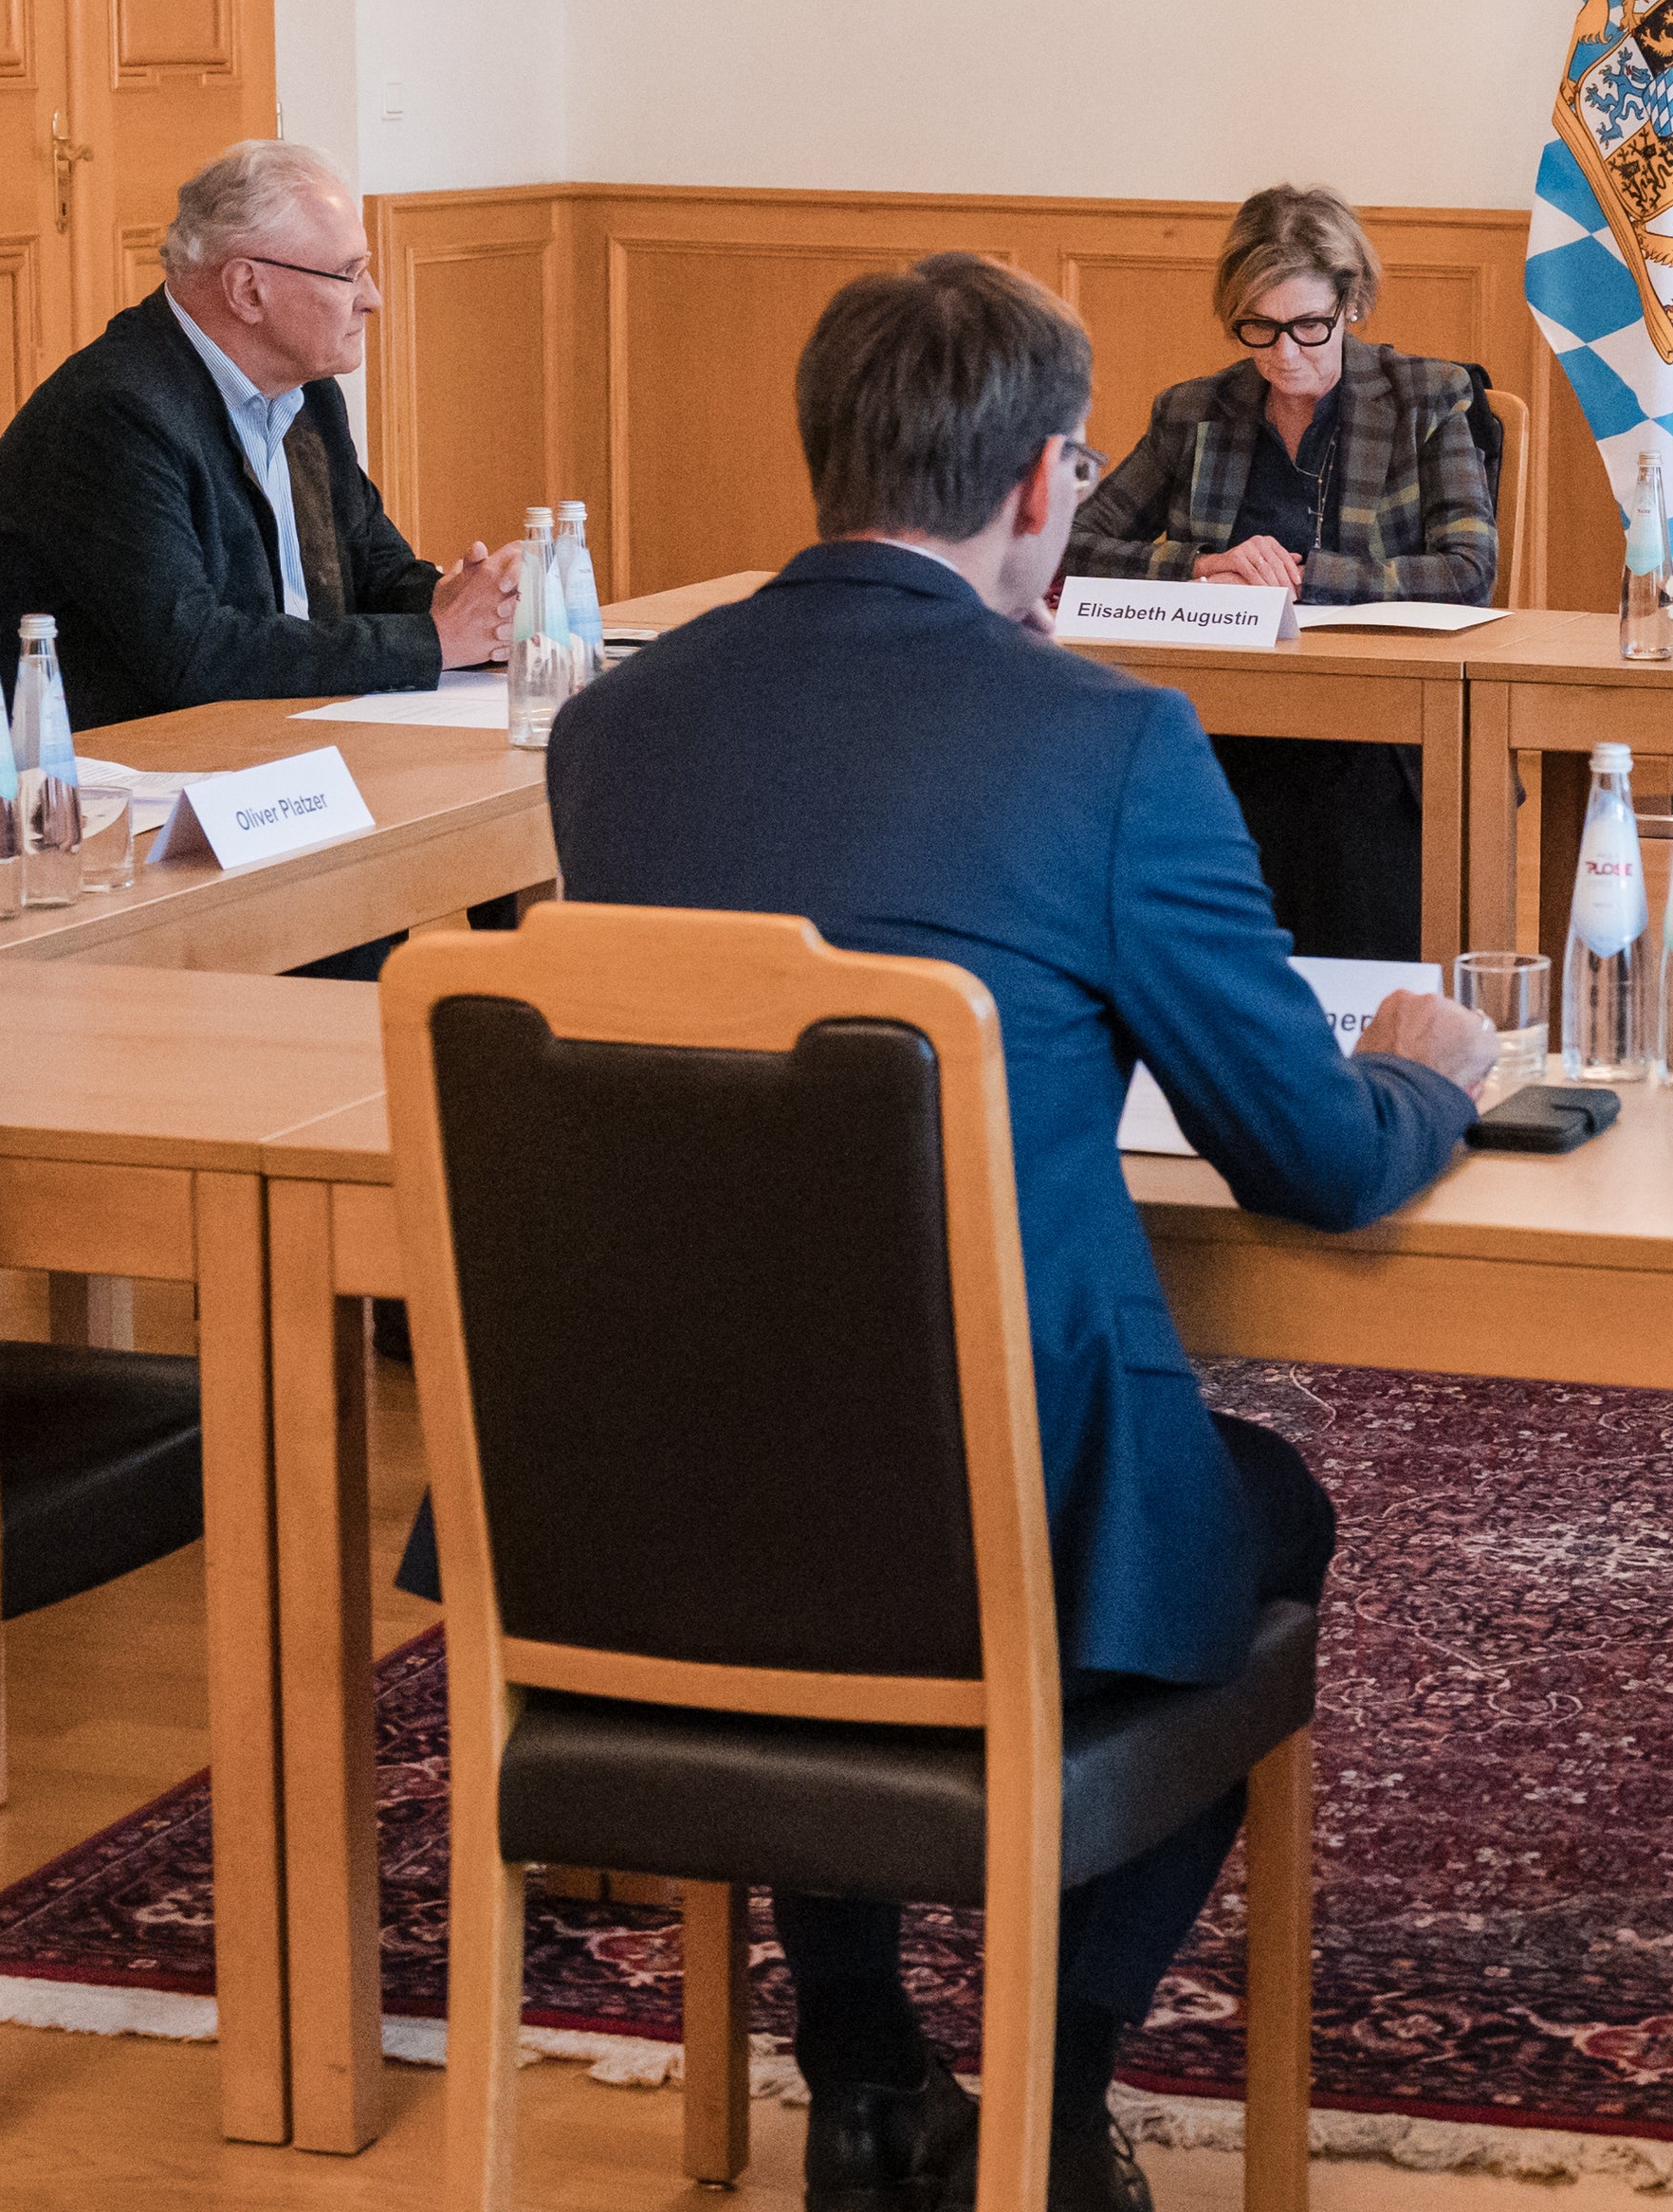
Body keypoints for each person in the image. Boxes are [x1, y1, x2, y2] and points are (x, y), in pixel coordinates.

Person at [544, 254, 1496, 2212]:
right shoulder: (1113, 741)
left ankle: (873, 2072)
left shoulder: (612, 734)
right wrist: (1433, 1075)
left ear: (822, 456)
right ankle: (1047, 2103)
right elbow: (1311, 1161)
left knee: (828, 1474)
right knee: (1263, 1520)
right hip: (974, 1517)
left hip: (646, 1505)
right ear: (1052, 483)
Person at [0, 139, 517, 741]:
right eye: (349, 273)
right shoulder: (114, 414)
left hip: (265, 738)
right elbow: (194, 653)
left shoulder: (308, 392)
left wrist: (467, 602)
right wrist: (436, 637)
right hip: (82, 779)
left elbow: (372, 571)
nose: (372, 299)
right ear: (247, 290)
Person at [1065, 185, 1497, 958]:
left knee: (1345, 851)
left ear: (1352, 302)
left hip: (1377, 736)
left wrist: (1304, 577)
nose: (1283, 354)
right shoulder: (1195, 412)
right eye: (1258, 329)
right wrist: (1200, 567)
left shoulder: (1426, 398)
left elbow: (1466, 570)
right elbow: (1071, 543)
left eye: (1307, 327)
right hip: (1216, 725)